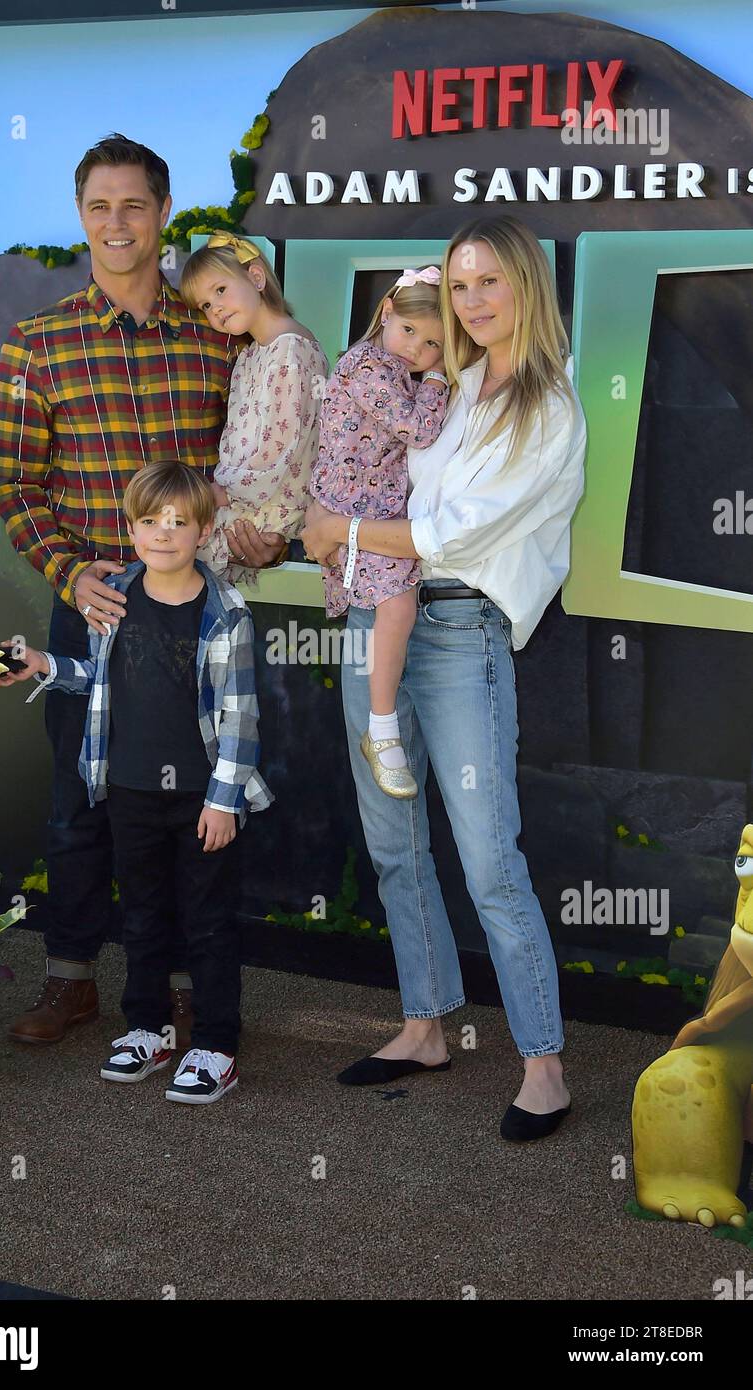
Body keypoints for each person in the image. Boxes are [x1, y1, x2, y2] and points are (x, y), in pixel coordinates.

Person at [0, 134, 283, 1047]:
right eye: (98, 207)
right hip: (92, 608)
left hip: (196, 614)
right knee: (81, 805)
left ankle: (190, 990)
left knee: (197, 800)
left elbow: (258, 460)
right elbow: (14, 484)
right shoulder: (36, 344)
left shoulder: (214, 335)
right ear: (81, 217)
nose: (116, 224)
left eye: (134, 206)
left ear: (162, 213)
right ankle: (71, 979)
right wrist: (73, 575)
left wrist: (265, 534)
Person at [301, 216, 588, 1142]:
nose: (470, 302)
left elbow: (449, 534)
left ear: (528, 288)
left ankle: (543, 1065)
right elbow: (370, 411)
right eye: (459, 285)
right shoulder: (445, 380)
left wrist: (333, 531)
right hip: (380, 612)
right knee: (393, 839)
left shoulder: (549, 405)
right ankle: (425, 1026)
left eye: (489, 283)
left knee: (488, 858)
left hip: (461, 628)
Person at [0, 461, 272, 1104]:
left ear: (204, 532)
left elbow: (241, 716)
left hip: (204, 801)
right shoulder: (115, 596)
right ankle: (148, 1028)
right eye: (150, 521)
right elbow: (94, 679)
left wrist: (224, 801)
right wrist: (40, 664)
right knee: (142, 916)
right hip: (129, 792)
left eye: (179, 523)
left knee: (207, 921)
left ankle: (216, 1044)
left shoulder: (225, 612)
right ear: (131, 526)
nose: (163, 534)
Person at [310, 266, 448, 799]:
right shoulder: (371, 365)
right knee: (397, 607)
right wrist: (438, 380)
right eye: (410, 330)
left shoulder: (385, 365)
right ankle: (383, 728)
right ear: (386, 310)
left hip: (363, 503)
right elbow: (419, 428)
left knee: (393, 609)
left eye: (434, 344)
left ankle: (384, 724)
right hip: (354, 507)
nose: (417, 349)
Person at [179, 230, 328, 588]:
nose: (216, 309)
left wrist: (224, 490)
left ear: (256, 277)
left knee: (175, 552)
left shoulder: (290, 350)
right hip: (245, 501)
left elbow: (282, 445)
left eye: (220, 291)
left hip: (268, 506)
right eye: (205, 305)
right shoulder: (251, 354)